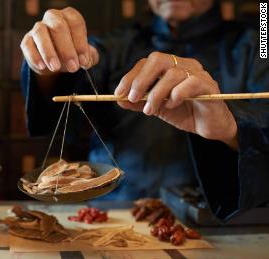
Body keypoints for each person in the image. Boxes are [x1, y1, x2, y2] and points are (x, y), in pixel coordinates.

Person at [20, 0, 269, 221]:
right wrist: (49, 63)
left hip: (210, 220)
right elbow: (62, 104)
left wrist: (230, 127)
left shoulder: (261, 41)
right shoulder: (116, 43)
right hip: (113, 213)